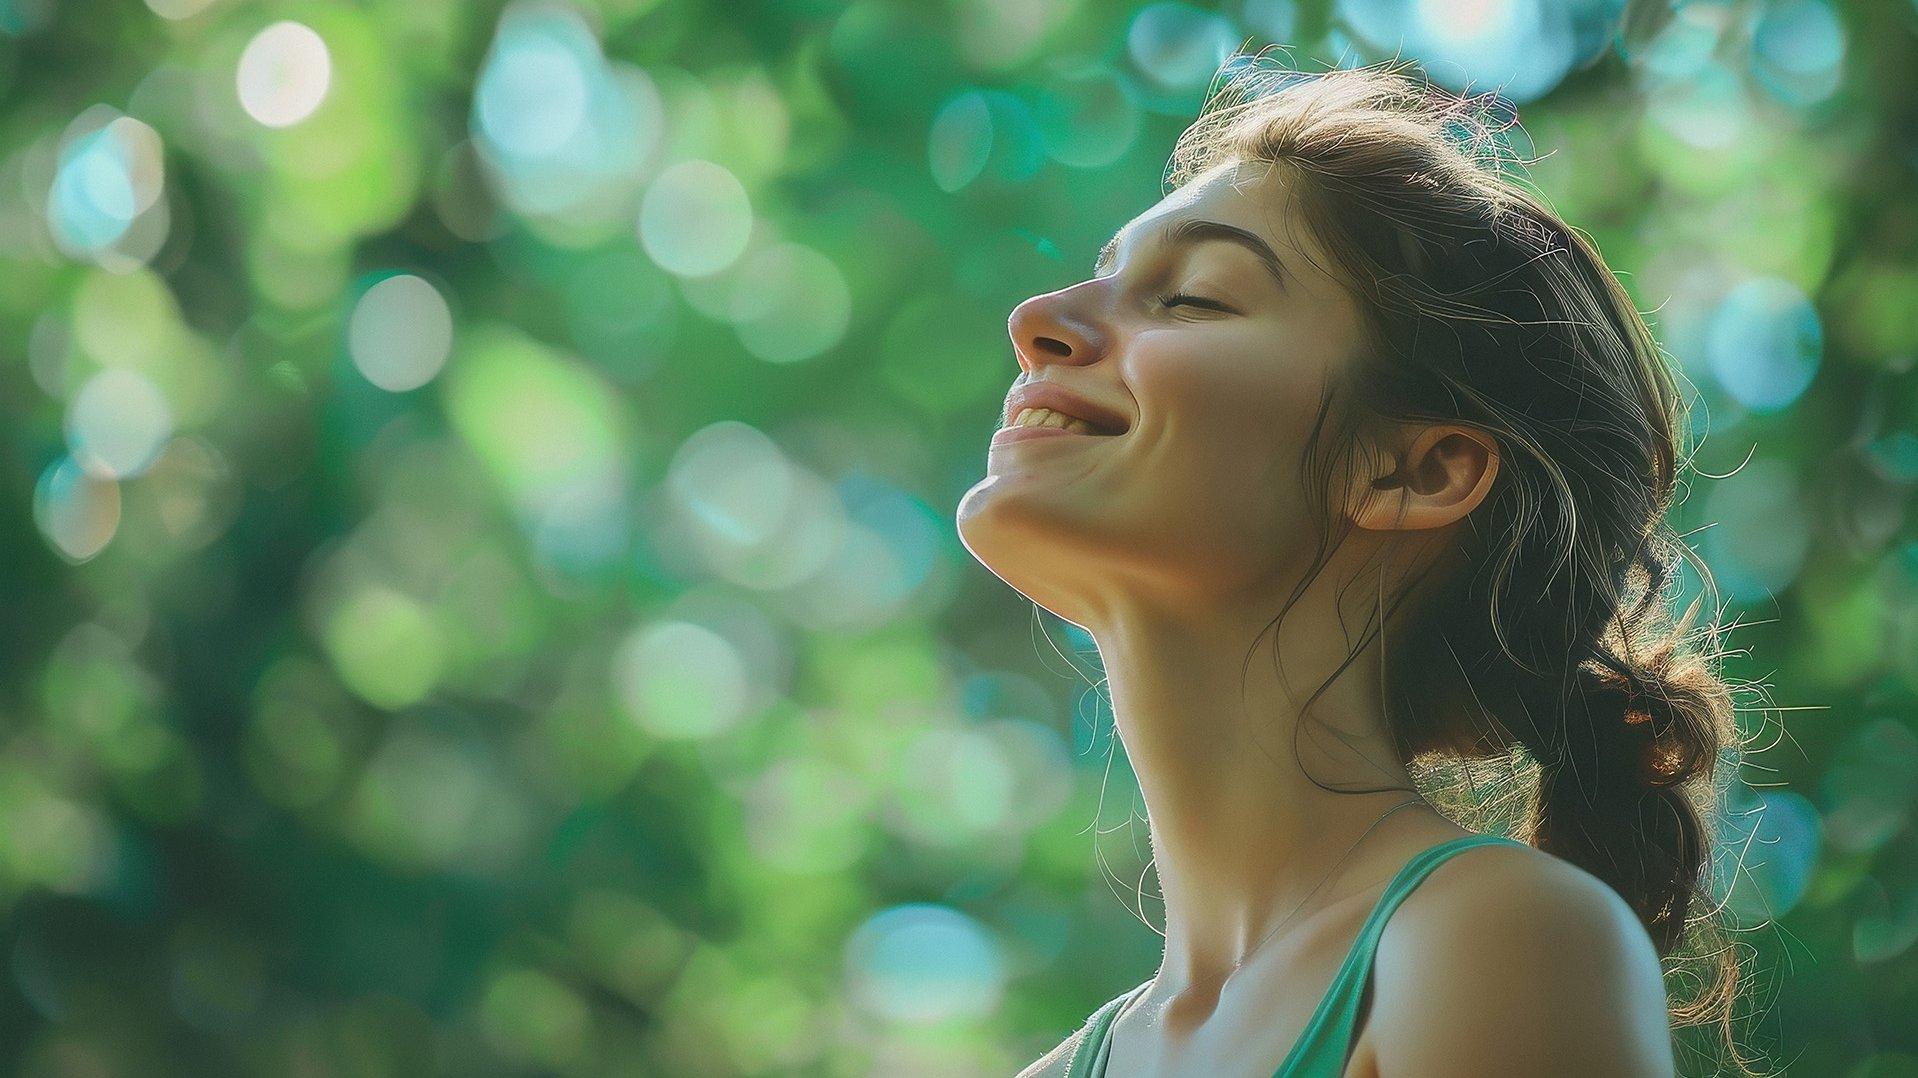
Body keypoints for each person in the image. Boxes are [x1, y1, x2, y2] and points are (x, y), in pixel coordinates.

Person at [955, 57, 1758, 1078]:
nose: (1038, 317)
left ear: (1418, 469)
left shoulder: (1495, 945)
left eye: (1193, 299)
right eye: (1106, 273)